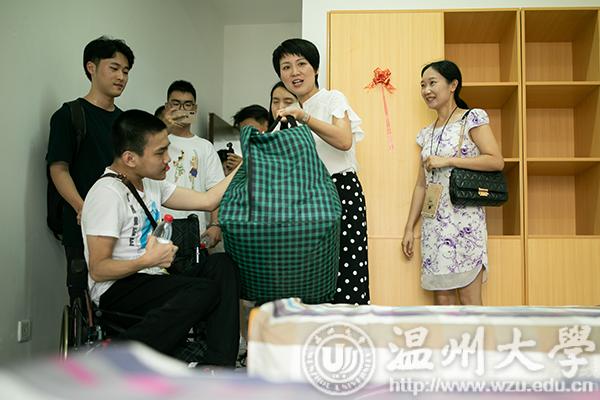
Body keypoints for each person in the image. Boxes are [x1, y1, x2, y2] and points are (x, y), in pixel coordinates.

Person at [81, 109, 241, 365]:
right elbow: (98, 270)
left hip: (152, 276)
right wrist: (146, 260)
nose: (168, 159)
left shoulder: (151, 183)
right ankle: (119, 354)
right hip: (116, 288)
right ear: (130, 158)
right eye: (160, 153)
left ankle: (218, 366)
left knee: (221, 265)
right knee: (204, 289)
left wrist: (245, 165)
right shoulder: (107, 194)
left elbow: (208, 200)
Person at [272, 38, 370, 305]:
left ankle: (346, 330)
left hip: (340, 191)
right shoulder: (288, 117)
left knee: (346, 273)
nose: (294, 72)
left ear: (315, 69)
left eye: (301, 64)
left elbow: (344, 140)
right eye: (286, 67)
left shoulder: (331, 98)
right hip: (306, 200)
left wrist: (304, 118)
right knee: (310, 277)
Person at [401, 60, 504, 306]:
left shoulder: (472, 118)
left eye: (432, 83)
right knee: (442, 302)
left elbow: (495, 161)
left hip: (465, 222)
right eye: (422, 85)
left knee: (470, 300)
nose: (426, 90)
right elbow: (421, 185)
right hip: (434, 225)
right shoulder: (426, 133)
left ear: (453, 85)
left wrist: (448, 160)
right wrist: (409, 228)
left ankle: (476, 335)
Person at [46, 36, 134, 300]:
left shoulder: (126, 123)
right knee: (83, 299)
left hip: (123, 225)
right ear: (91, 67)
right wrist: (83, 208)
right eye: (114, 68)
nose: (121, 77)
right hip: (81, 224)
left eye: (126, 71)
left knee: (125, 296)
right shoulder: (69, 115)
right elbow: (59, 169)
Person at [160, 80, 225, 248]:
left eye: (187, 105)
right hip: (160, 228)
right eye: (176, 104)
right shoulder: (158, 142)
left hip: (195, 231)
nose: (182, 110)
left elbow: (216, 188)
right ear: (167, 107)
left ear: (194, 109)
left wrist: (215, 225)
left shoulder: (205, 146)